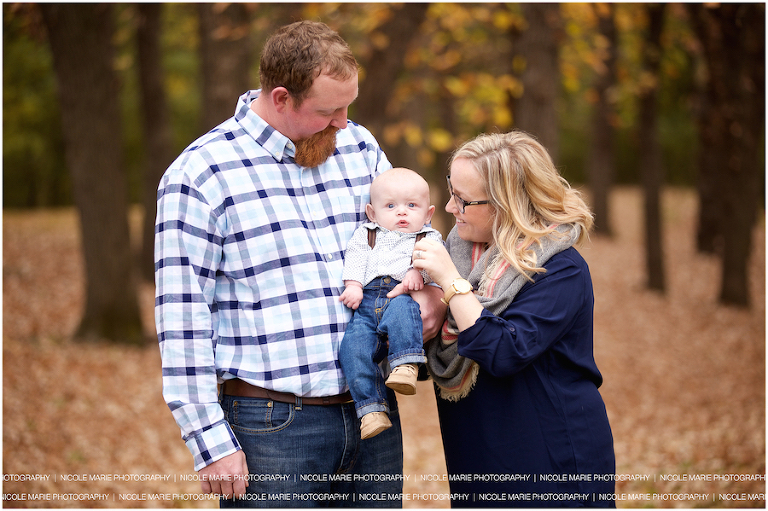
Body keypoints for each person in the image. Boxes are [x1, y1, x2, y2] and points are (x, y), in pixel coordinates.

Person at [154, 21, 445, 507]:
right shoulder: (200, 175)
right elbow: (183, 318)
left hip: (372, 414)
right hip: (272, 429)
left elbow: (408, 238)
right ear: (281, 99)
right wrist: (210, 442)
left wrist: (430, 294)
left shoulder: (360, 148)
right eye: (329, 111)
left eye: (349, 106)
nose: (344, 123)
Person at [410, 131, 616, 507]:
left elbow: (504, 351)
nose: (450, 207)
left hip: (550, 455)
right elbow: (433, 353)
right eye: (451, 191)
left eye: (463, 199)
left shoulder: (560, 268)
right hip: (477, 450)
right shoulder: (461, 253)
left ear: (506, 204)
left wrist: (451, 284)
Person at [338, 168, 443, 440]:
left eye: (412, 205)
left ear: (428, 214)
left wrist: (418, 273)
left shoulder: (427, 236)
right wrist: (353, 285)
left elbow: (435, 263)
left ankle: (406, 365)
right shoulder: (366, 234)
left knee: (404, 316)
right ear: (372, 213)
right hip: (366, 303)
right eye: (391, 206)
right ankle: (371, 410)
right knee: (352, 348)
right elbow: (356, 258)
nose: (402, 212)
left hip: (400, 294)